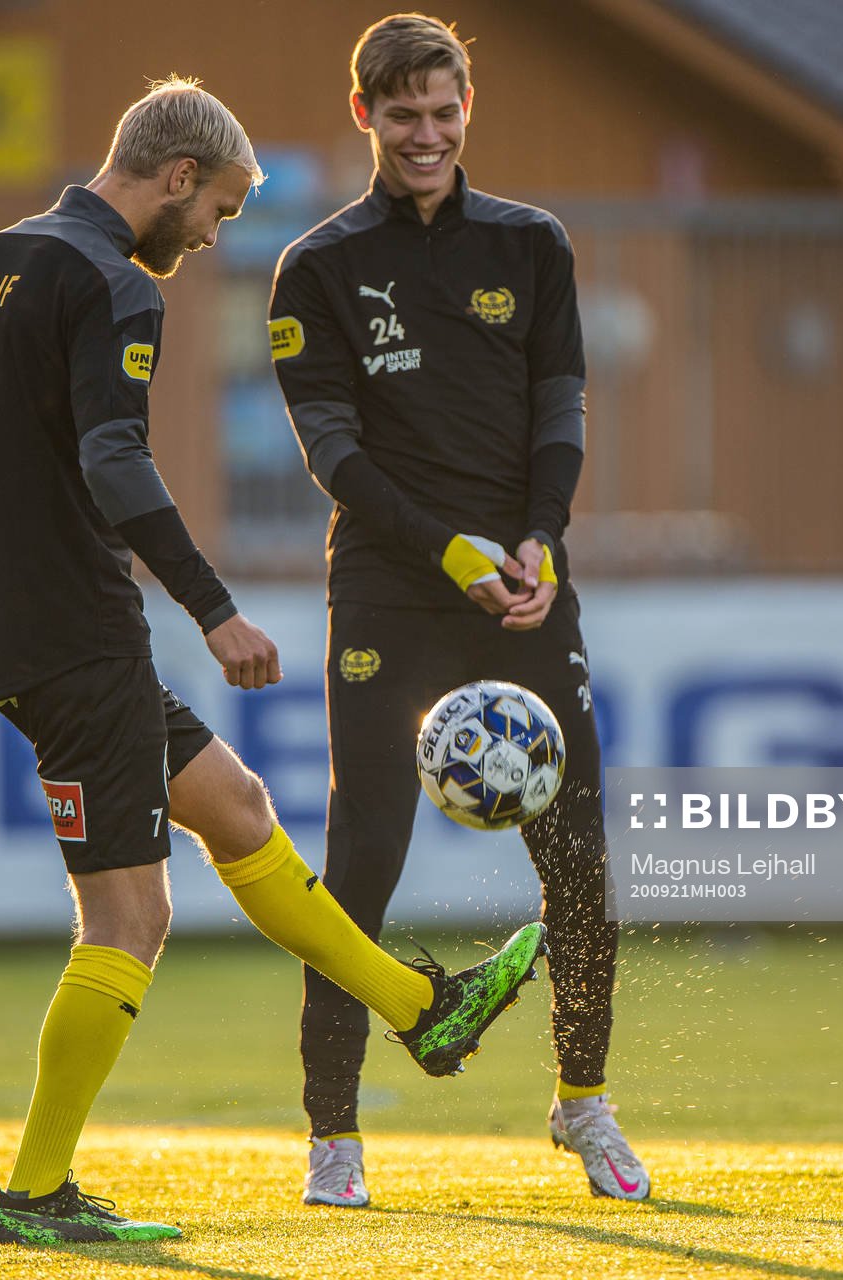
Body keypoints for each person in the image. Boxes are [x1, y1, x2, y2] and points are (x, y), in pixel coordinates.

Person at [0, 77, 546, 1247]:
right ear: (173, 177)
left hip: (13, 633)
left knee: (240, 808)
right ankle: (37, 1193)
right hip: (76, 632)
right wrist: (214, 610)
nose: (211, 236)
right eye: (214, 209)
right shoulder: (110, 283)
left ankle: (423, 1006)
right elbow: (117, 462)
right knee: (128, 920)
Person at [268, 15, 647, 1206]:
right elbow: (331, 451)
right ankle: (334, 1136)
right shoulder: (315, 268)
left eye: (443, 112)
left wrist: (540, 538)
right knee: (361, 863)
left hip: (524, 591)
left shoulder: (533, 245)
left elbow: (563, 408)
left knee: (578, 859)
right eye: (401, 115)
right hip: (390, 586)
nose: (424, 135)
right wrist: (448, 550)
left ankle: (582, 1104)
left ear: (467, 108)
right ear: (365, 116)